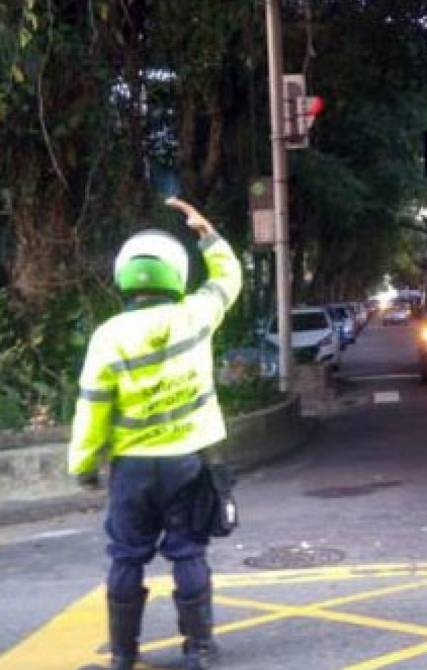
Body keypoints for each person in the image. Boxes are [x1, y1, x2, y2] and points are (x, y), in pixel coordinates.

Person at [68, 198, 242, 670]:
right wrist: (207, 233)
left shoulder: (108, 336)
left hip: (132, 470)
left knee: (127, 557)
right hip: (188, 463)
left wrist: (83, 465)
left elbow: (92, 407)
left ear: (125, 278)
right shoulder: (195, 316)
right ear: (176, 275)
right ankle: (199, 649)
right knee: (188, 552)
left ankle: (123, 655)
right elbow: (228, 280)